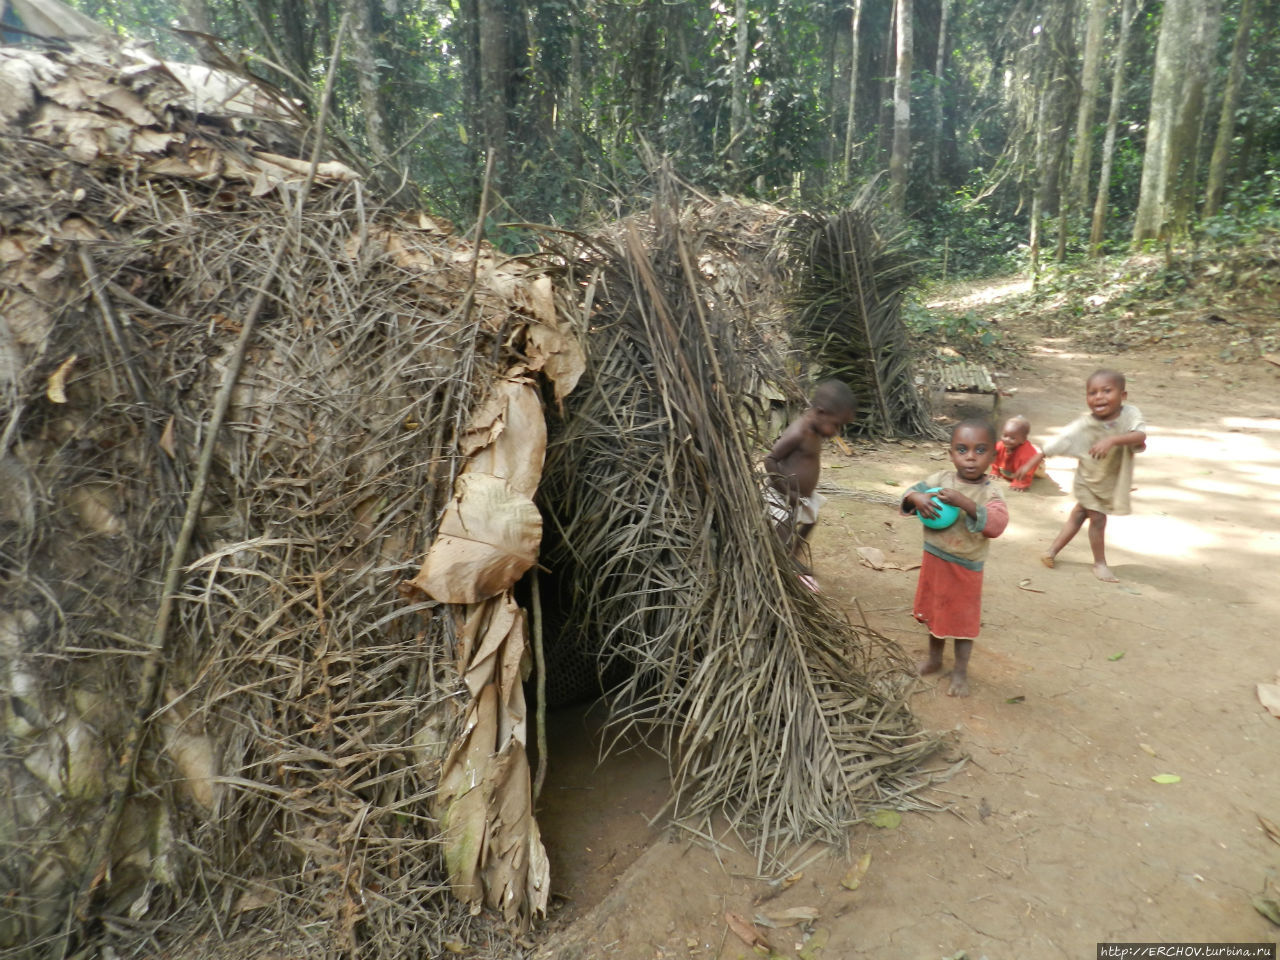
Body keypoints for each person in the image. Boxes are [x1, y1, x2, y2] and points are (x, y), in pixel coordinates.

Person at [902, 419, 1008, 697]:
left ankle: (960, 671)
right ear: (951, 454)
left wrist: (964, 503)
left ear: (993, 456)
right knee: (935, 614)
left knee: (962, 624)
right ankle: (935, 660)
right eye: (962, 450)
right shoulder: (939, 480)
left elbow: (997, 524)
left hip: (965, 568)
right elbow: (909, 492)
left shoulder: (990, 492)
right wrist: (917, 499)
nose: (970, 457)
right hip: (935, 561)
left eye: (980, 450)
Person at [1015, 368, 1146, 583]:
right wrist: (1034, 460)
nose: (1099, 397)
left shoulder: (1130, 414)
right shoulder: (1085, 424)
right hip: (1088, 479)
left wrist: (1112, 440)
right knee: (1098, 518)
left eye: (1106, 391)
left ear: (1123, 396)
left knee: (1078, 514)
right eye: (1092, 393)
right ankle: (1100, 563)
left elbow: (1140, 434)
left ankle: (1051, 551)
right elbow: (1061, 440)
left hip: (1108, 480)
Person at [764, 379, 856, 590]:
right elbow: (770, 460)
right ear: (821, 412)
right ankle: (782, 571)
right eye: (836, 425)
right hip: (781, 495)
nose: (837, 432)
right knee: (784, 531)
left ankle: (791, 557)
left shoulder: (816, 430)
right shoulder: (799, 432)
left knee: (810, 520)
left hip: (800, 495)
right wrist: (787, 492)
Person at [990, 415, 1042, 492]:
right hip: (1012, 469)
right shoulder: (1001, 445)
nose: (1007, 440)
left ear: (1023, 440)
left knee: (1036, 468)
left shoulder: (1026, 455)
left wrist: (1019, 482)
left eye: (1012, 438)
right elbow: (995, 457)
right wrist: (995, 470)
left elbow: (1028, 469)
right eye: (1005, 435)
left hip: (1036, 465)